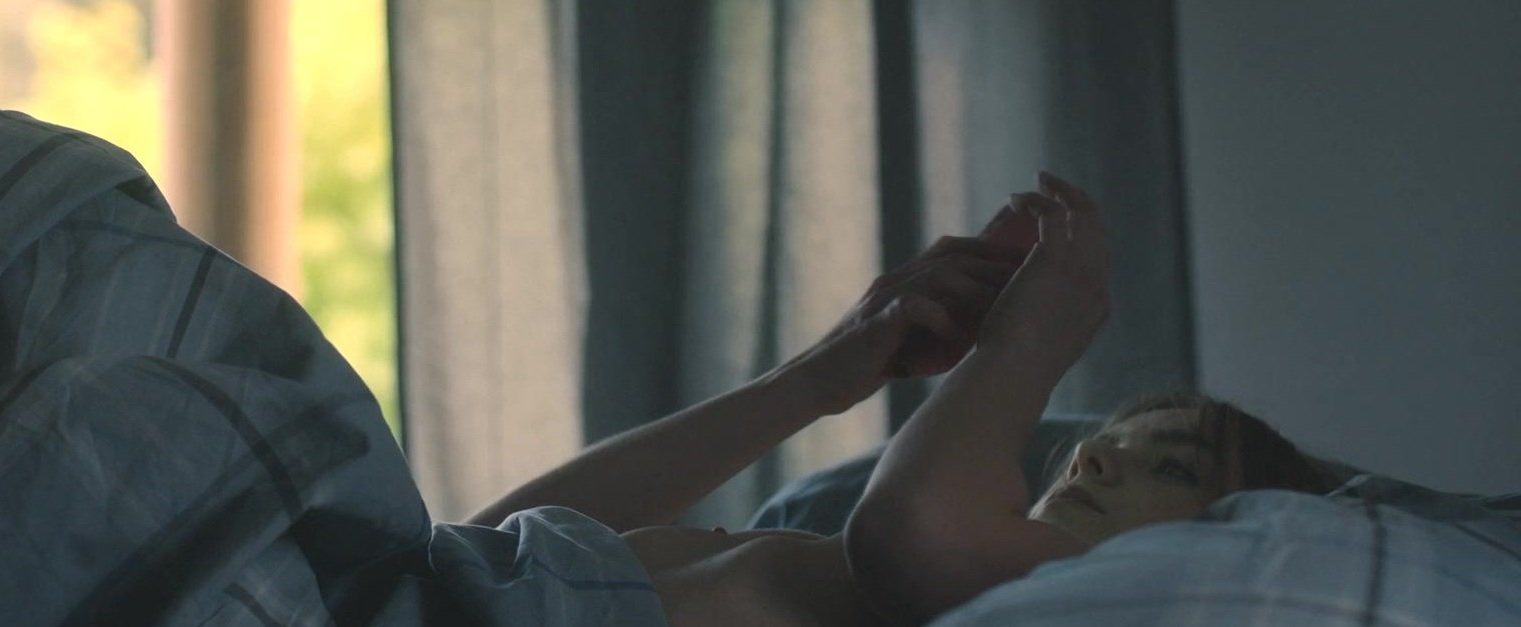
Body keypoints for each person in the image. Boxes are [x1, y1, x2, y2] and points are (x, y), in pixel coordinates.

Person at [467, 172, 1336, 626]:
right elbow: (488, 545)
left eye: (1171, 468)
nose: (1091, 458)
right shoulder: (824, 562)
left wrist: (1027, 344)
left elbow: (911, 529)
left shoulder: (1079, 603)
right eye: (1105, 444)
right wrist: (815, 379)